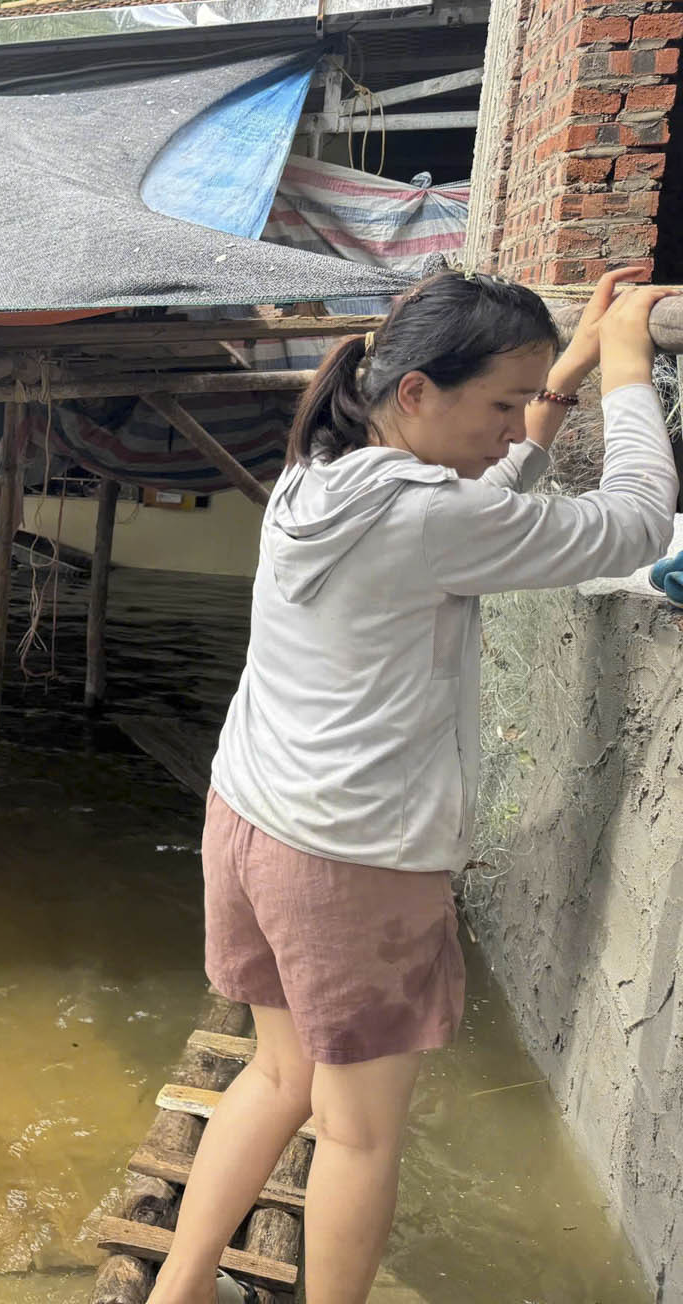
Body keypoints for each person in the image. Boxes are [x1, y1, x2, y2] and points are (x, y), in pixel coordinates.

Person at [149, 270, 677, 1304]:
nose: (509, 428)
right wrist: (627, 369)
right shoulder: (426, 516)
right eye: (499, 405)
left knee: (278, 1079)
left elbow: (467, 512)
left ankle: (176, 1290)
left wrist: (551, 393)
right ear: (418, 393)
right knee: (358, 1136)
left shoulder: (322, 471)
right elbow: (637, 522)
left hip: (252, 819)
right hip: (350, 861)